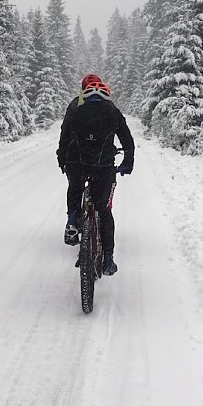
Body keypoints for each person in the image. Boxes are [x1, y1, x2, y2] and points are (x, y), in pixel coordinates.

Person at [56, 74, 134, 275]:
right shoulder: (111, 109)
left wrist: (62, 158)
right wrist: (128, 162)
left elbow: (64, 135)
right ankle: (107, 259)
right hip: (103, 166)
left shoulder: (75, 106)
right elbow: (126, 138)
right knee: (104, 210)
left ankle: (72, 220)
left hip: (77, 163)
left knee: (75, 186)